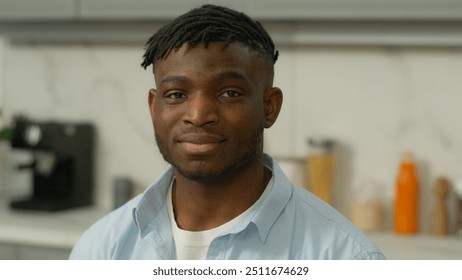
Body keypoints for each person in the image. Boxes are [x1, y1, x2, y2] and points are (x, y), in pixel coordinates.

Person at [69, 4, 385, 260]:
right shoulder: (101, 249)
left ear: (270, 107)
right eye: (177, 94)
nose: (198, 115)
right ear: (154, 107)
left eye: (230, 93)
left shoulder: (343, 257)